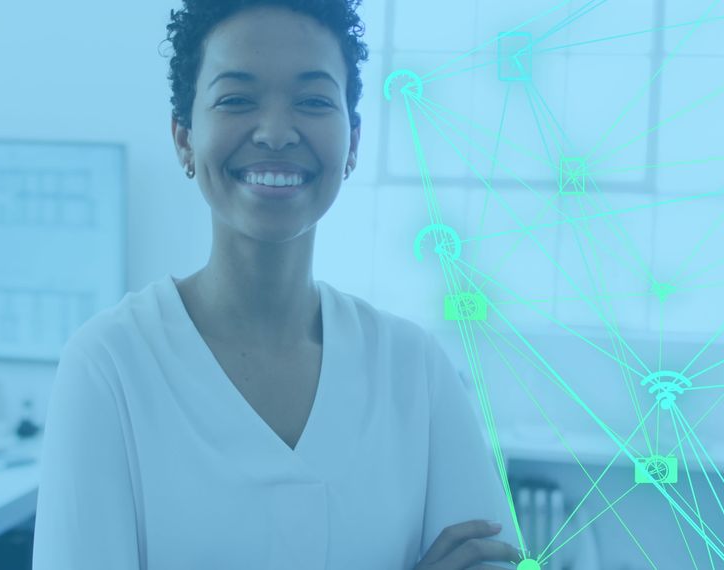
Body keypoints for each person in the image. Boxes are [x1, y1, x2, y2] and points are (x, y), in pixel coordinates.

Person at [33, 1, 520, 568]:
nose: (275, 132)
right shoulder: (108, 366)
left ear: (353, 141)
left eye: (313, 101)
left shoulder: (416, 371)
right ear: (184, 138)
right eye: (237, 99)